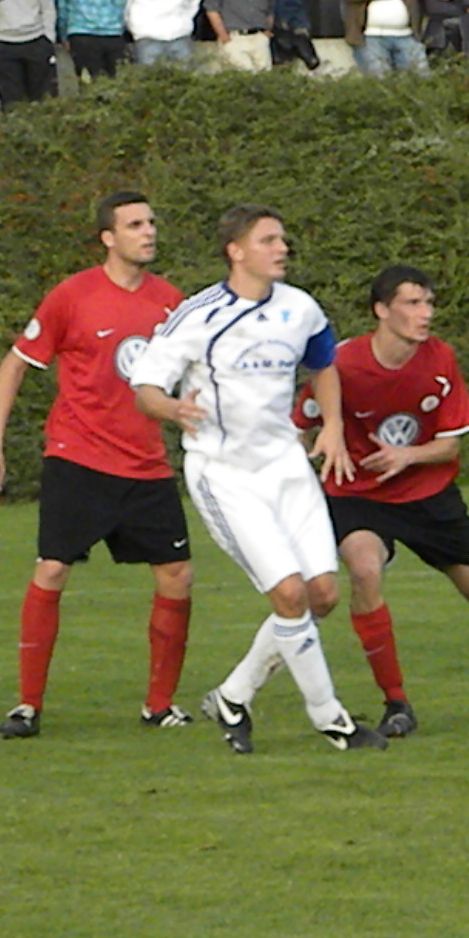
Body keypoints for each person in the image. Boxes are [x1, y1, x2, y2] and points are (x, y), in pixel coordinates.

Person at [129, 205, 385, 754]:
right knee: (289, 594)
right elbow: (146, 385)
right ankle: (331, 719)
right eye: (269, 240)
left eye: (283, 239)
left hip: (287, 466)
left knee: (321, 595)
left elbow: (324, 367)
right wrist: (173, 410)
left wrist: (334, 427)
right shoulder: (198, 315)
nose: (282, 248)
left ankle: (232, 695)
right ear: (236, 251)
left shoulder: (301, 308)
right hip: (225, 475)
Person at [294, 265, 469, 739]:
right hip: (358, 496)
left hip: (428, 495)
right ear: (381, 310)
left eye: (428, 303)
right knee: (364, 570)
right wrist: (320, 452)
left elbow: (450, 445)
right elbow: (299, 424)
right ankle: (396, 704)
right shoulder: (342, 364)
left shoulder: (439, 357)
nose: (425, 314)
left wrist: (408, 455)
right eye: (412, 303)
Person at [0, 193, 191, 737]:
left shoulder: (173, 304)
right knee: (52, 568)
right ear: (108, 238)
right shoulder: (73, 296)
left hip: (146, 465)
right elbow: (14, 367)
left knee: (177, 575)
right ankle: (27, 705)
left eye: (152, 222)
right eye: (135, 224)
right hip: (79, 458)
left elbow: (201, 373)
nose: (149, 232)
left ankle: (159, 706)